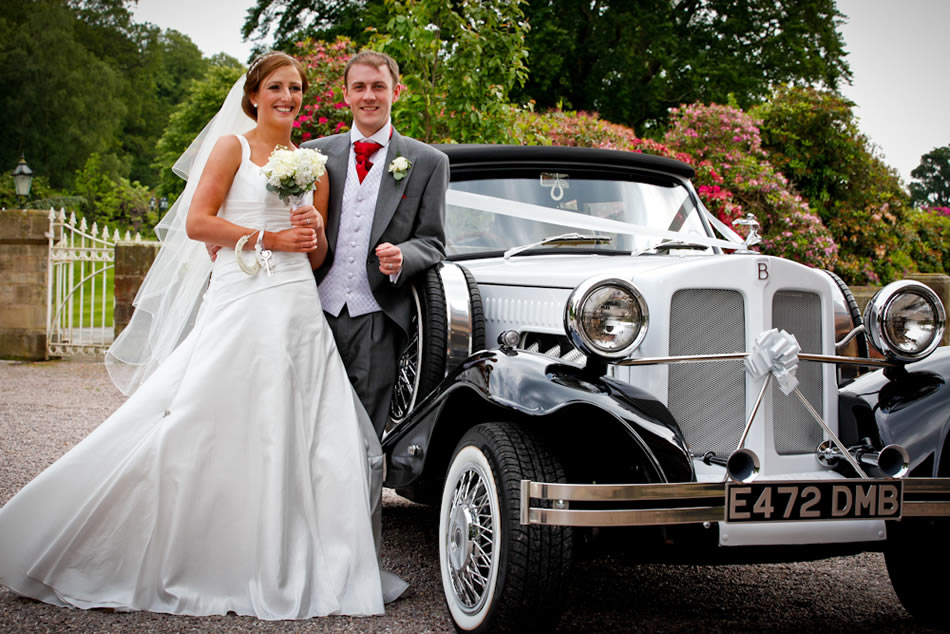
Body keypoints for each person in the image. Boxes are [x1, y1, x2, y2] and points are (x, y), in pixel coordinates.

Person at [0, 51, 404, 619]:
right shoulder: (231, 147)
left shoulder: (313, 164)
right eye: (276, 87)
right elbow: (198, 222)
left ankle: (294, 554)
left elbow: (317, 258)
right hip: (244, 296)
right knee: (202, 416)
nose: (287, 98)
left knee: (305, 429)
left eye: (295, 88)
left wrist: (313, 231)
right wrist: (268, 239)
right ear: (253, 95)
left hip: (296, 307)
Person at [301, 50, 448, 438]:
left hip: (378, 315)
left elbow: (433, 241)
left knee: (365, 431)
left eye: (378, 86)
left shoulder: (428, 162)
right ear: (346, 94)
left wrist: (404, 256)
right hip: (314, 308)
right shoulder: (313, 154)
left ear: (396, 92)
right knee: (307, 419)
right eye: (360, 87)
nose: (369, 96)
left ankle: (363, 483)